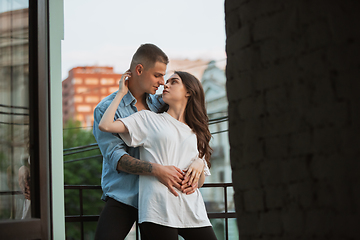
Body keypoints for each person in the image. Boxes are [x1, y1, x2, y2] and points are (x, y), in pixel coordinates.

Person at [93, 43, 205, 240]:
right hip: (126, 195)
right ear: (139, 70)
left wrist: (200, 161)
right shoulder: (106, 109)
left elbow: (191, 131)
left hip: (162, 197)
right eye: (158, 75)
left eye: (165, 77)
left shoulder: (161, 102)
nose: (163, 82)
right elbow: (116, 157)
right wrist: (156, 170)